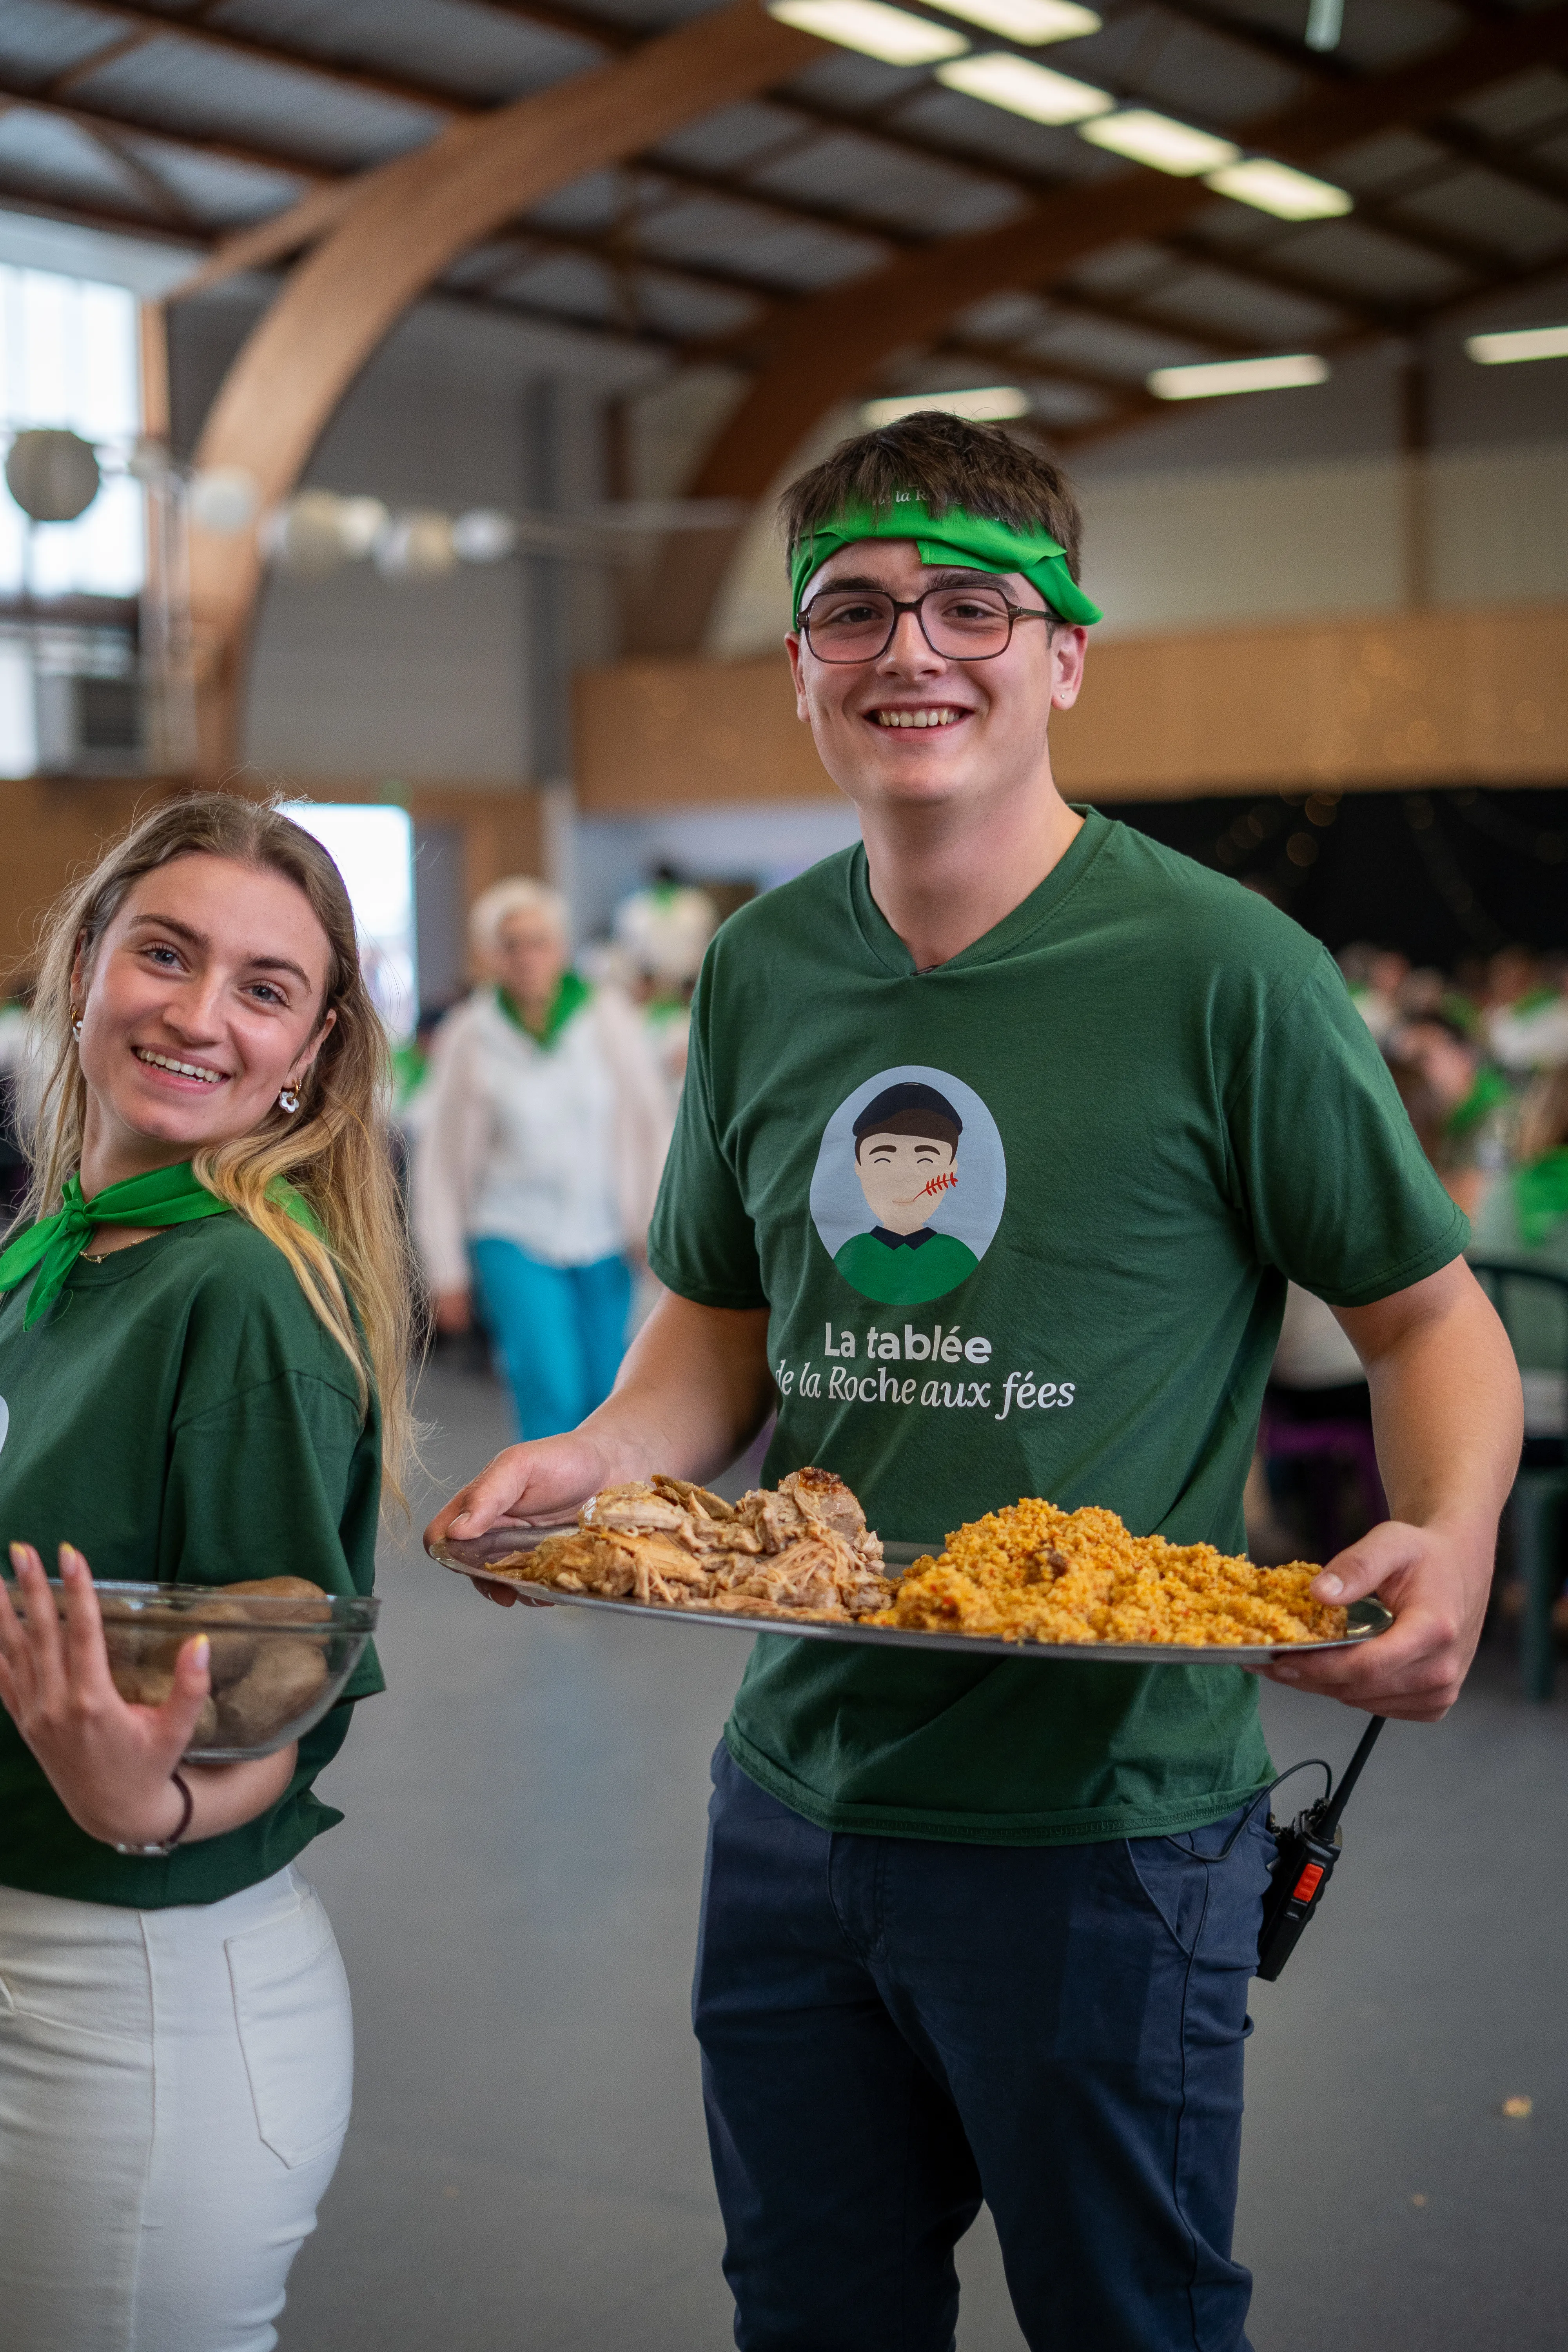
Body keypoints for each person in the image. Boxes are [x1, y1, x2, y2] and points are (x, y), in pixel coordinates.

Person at [428, 410, 1522, 2352]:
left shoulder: (1222, 969)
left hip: (1100, 1822)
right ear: (793, 668)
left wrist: (1445, 1530)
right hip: (791, 1791)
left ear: (1063, 655)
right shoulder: (761, 971)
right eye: (848, 611)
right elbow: (713, 1328)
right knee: (813, 2310)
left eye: (967, 607)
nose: (906, 650)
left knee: (1127, 2317)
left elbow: (1428, 1316)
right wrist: (601, 1456)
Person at [0, 793, 411, 2352]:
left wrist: (153, 1801)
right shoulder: (54, 1258)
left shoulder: (239, 1290)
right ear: (88, 963)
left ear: (310, 1050)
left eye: (262, 988)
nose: (196, 1014)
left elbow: (287, 1678)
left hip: (130, 2001)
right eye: (163, 954)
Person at [411, 876, 671, 1439]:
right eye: (511, 944)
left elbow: (652, 1125)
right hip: (511, 1230)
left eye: (539, 941)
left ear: (561, 947)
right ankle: (550, 1522)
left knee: (608, 1394)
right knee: (549, 1385)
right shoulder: (469, 1033)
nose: (526, 956)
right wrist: (445, 1270)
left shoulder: (606, 1016)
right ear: (489, 955)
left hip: (607, 1233)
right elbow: (441, 1158)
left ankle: (606, 1524)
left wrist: (652, 1220)